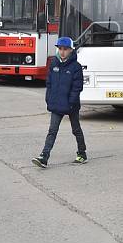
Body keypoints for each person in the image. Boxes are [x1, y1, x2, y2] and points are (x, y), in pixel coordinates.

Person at [32, 37, 86, 168]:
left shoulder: (76, 67)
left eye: (65, 49)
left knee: (76, 129)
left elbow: (77, 87)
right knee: (52, 130)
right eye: (60, 49)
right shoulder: (54, 64)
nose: (62, 52)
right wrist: (48, 98)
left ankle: (82, 153)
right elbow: (49, 83)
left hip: (71, 105)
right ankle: (44, 157)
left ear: (71, 50)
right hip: (57, 104)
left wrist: (71, 103)